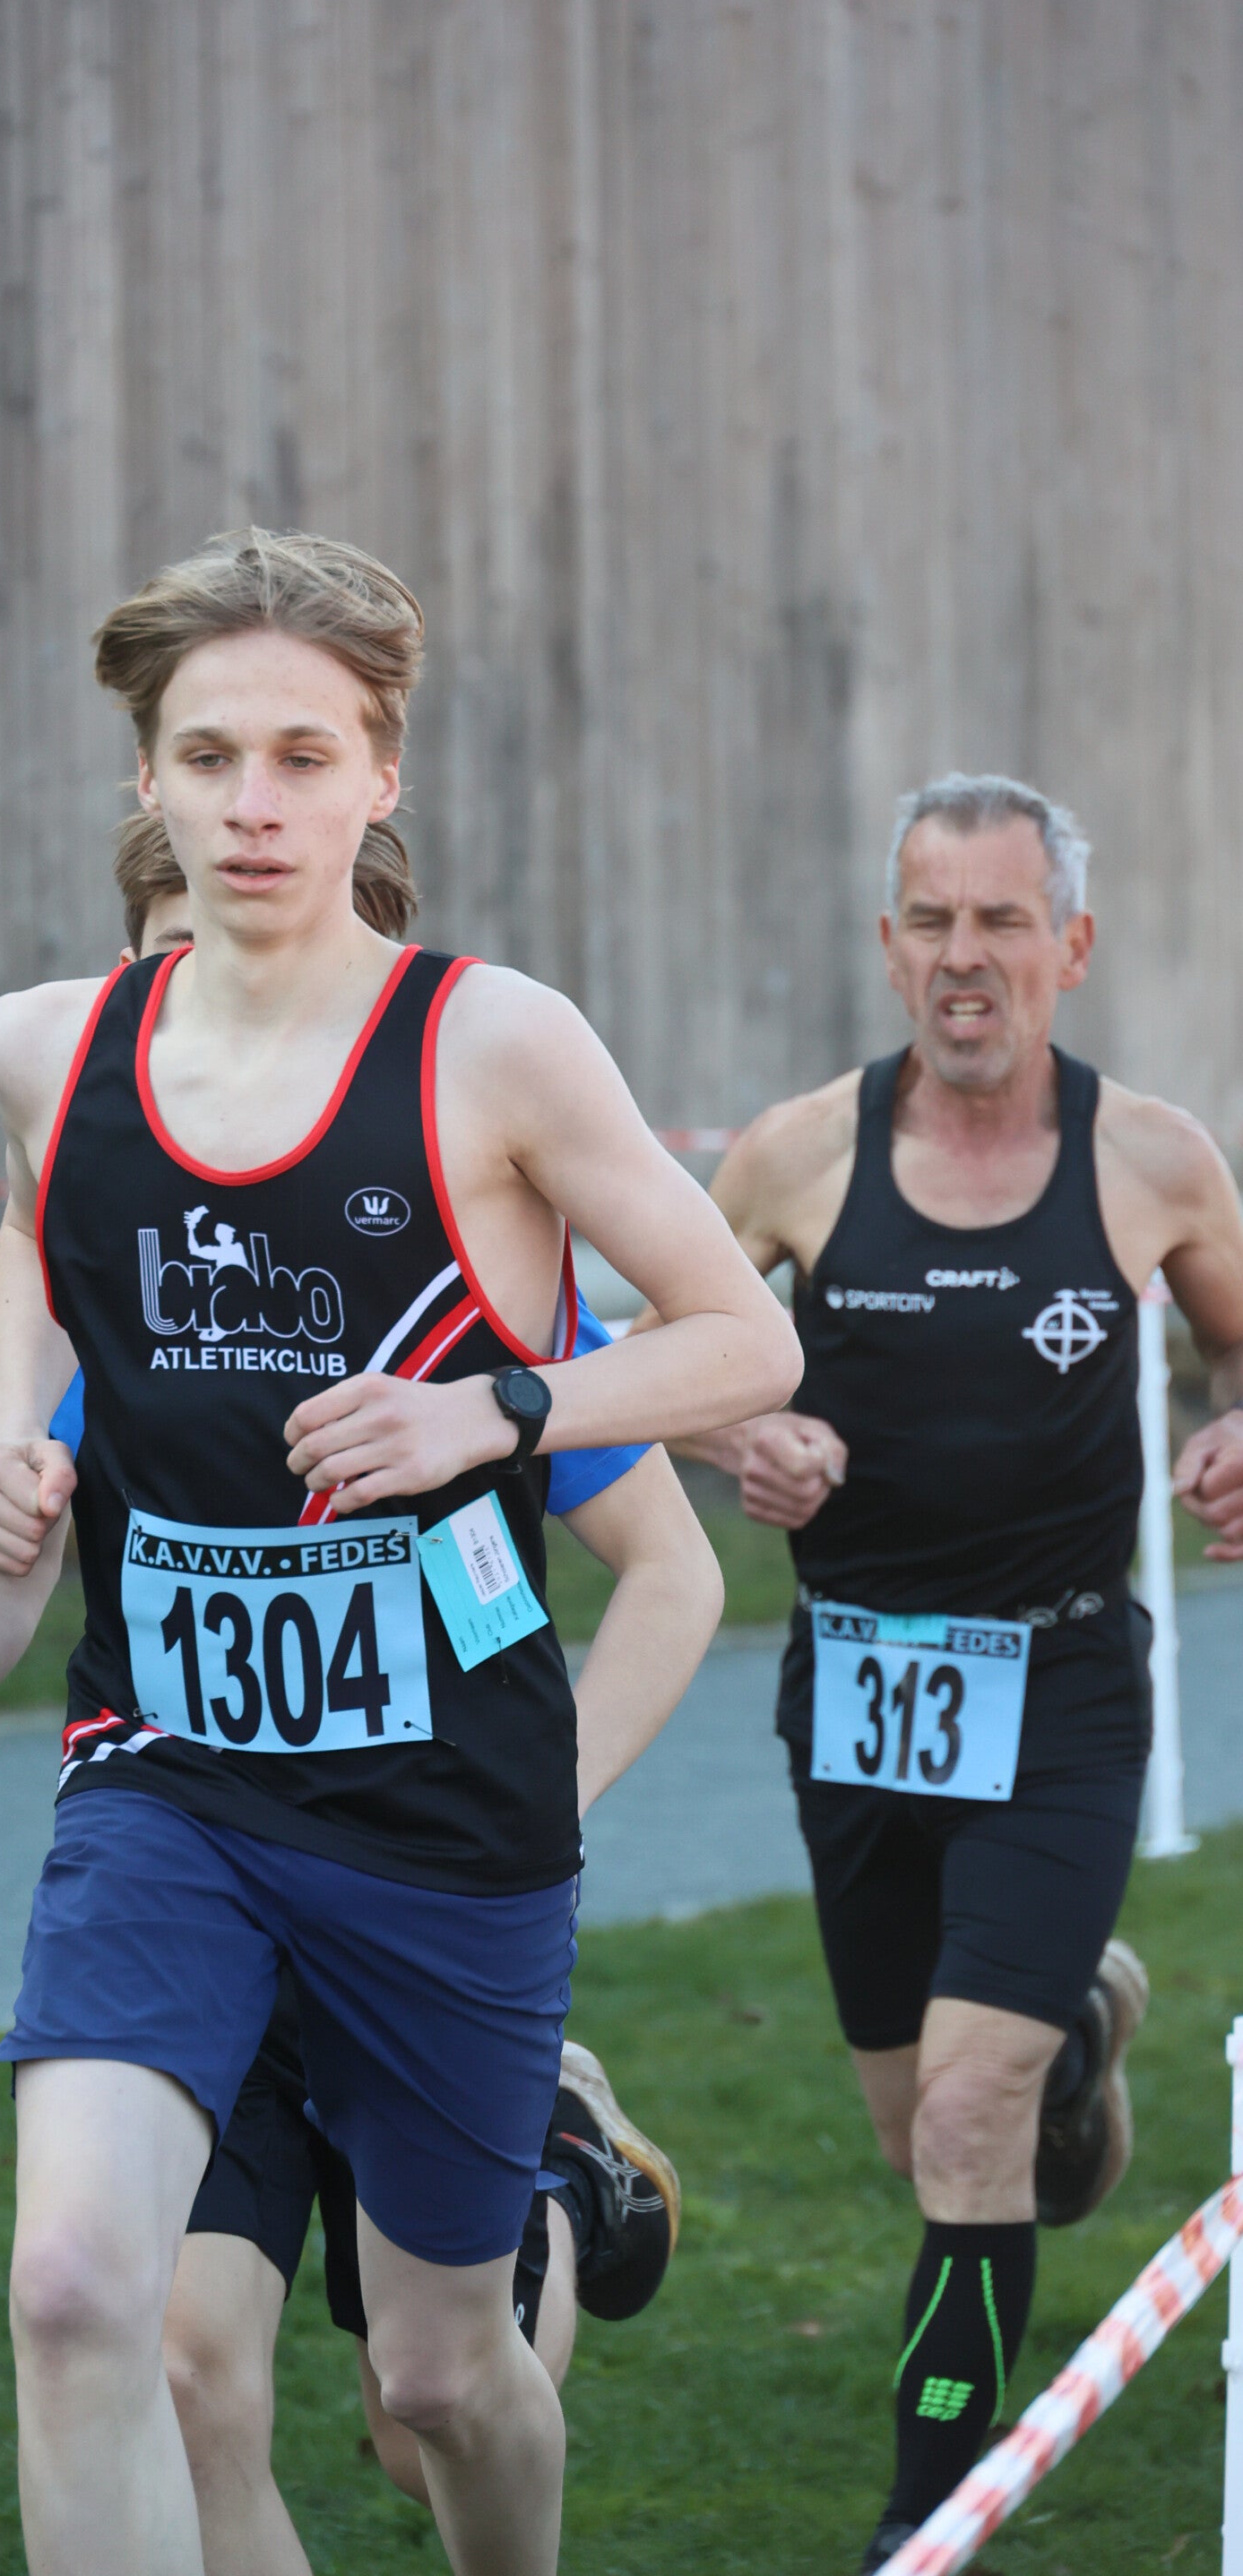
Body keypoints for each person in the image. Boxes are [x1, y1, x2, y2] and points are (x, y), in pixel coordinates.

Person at [0, 524, 800, 2576]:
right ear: (148, 780)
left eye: (303, 756)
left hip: (442, 1823)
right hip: (167, 1789)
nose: (254, 804)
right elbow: (33, 1357)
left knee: (439, 2379)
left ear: (382, 777)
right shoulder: (47, 1052)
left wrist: (498, 1408)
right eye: (210, 757)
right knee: (81, 2295)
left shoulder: (495, 1045)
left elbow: (750, 1340)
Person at [0, 859, 694, 2557]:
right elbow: (5, 1523)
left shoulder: (460, 1214)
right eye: (170, 967)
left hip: (430, 1853)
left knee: (428, 2398)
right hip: (186, 1827)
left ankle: (552, 2169)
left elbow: (673, 1566)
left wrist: (550, 1802)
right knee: (156, 2351)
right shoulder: (81, 1205)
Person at [641, 771, 1243, 2570]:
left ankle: (927, 2524)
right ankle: (1074, 2045)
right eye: (932, 920)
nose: (964, 955)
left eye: (1001, 921)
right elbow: (647, 1364)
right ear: (890, 945)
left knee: (969, 2127)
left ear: (1071, 945)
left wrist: (1236, 1432)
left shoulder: (1153, 1161)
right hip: (857, 1695)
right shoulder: (792, 1159)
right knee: (929, 2137)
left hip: (1063, 1696)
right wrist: (739, 1438)